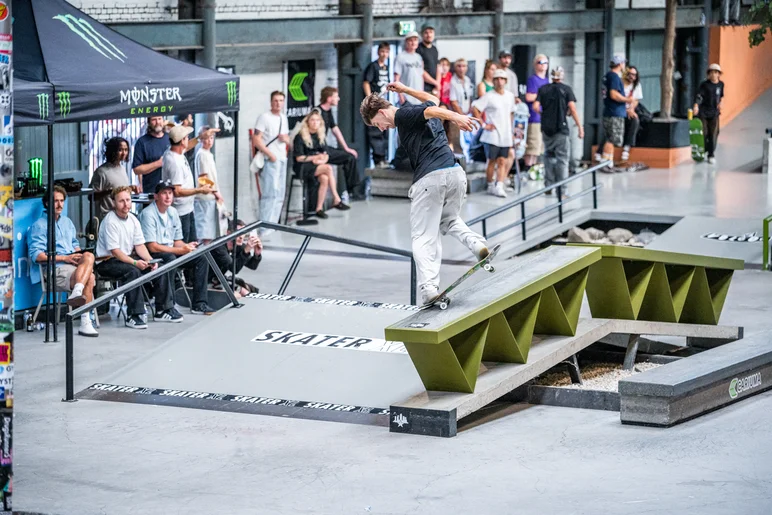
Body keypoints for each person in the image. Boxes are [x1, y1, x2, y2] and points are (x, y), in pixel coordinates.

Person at [360, 82, 488, 305]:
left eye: (376, 124)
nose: (381, 128)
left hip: (431, 179)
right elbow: (432, 100)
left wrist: (456, 117)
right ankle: (477, 245)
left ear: (381, 112)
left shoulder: (402, 115)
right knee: (448, 220)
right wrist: (405, 89)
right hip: (455, 173)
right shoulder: (412, 113)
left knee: (423, 237)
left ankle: (428, 287)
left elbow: (431, 110)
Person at [95, 186, 181, 329]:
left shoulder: (133, 220)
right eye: (121, 201)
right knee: (133, 271)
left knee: (160, 267)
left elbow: (140, 245)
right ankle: (133, 315)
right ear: (114, 203)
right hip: (107, 261)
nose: (126, 204)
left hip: (127, 259)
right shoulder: (110, 221)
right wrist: (135, 262)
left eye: (128, 200)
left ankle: (163, 310)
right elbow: (115, 251)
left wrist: (150, 261)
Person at [28, 185, 98, 337]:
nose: (60, 205)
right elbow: (37, 256)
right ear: (47, 203)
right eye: (55, 201)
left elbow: (74, 245)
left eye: (62, 201)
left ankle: (77, 291)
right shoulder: (39, 226)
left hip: (72, 267)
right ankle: (85, 321)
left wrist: (77, 256)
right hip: (55, 270)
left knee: (89, 256)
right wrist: (65, 258)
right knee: (90, 277)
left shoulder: (67, 222)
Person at [140, 180, 215, 315]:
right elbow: (152, 247)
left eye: (170, 193)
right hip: (153, 255)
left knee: (200, 257)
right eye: (164, 193)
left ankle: (200, 303)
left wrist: (187, 247)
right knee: (170, 258)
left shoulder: (173, 212)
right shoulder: (148, 214)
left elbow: (177, 241)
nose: (168, 197)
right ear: (156, 196)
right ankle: (166, 307)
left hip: (171, 251)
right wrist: (179, 250)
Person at [532, 66, 584, 194]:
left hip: (546, 129)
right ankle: (562, 189)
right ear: (562, 76)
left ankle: (548, 187)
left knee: (548, 157)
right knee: (562, 159)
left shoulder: (543, 89)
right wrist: (580, 127)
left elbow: (535, 106)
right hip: (561, 129)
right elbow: (572, 108)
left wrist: (545, 115)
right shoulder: (566, 90)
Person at [293, 109, 351, 219]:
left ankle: (318, 208)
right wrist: (314, 158)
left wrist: (320, 160)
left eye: (317, 120)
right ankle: (336, 198)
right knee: (328, 168)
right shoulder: (300, 136)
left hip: (317, 165)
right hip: (302, 167)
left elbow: (325, 154)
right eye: (312, 120)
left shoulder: (320, 136)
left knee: (324, 178)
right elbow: (299, 158)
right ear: (308, 122)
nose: (315, 122)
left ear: (320, 122)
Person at [161, 125, 213, 244]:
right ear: (182, 141)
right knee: (184, 247)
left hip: (186, 209)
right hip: (180, 212)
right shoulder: (175, 163)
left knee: (192, 245)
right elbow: (177, 191)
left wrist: (200, 137)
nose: (188, 139)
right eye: (186, 137)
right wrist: (199, 190)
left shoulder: (174, 151)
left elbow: (188, 146)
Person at [472, 69, 517, 199]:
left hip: (506, 134)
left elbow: (511, 113)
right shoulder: (489, 95)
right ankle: (491, 184)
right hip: (492, 134)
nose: (499, 81)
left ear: (506, 81)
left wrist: (512, 130)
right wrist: (484, 125)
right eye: (497, 79)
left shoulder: (509, 96)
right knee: (492, 160)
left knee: (503, 160)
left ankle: (500, 185)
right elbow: (475, 108)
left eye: (502, 79)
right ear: (494, 81)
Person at [253, 91, 291, 233]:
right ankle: (264, 227)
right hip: (271, 159)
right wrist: (270, 154)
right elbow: (256, 140)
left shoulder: (283, 118)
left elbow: (287, 138)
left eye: (281, 100)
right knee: (270, 193)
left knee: (280, 194)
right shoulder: (264, 118)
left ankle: (273, 225)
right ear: (271, 102)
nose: (278, 103)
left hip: (282, 158)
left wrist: (285, 140)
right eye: (275, 100)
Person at [317, 87, 360, 202]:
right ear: (329, 98)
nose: (339, 99)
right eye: (336, 96)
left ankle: (350, 191)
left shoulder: (328, 111)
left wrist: (346, 148)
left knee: (349, 157)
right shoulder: (317, 112)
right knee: (348, 158)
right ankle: (347, 193)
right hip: (319, 150)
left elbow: (335, 129)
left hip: (325, 148)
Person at [211, 219, 263, 297]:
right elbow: (234, 269)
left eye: (243, 233)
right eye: (239, 233)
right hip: (206, 281)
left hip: (218, 279)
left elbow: (252, 266)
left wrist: (257, 254)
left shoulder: (238, 245)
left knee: (248, 289)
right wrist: (246, 251)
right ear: (228, 233)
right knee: (239, 295)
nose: (241, 237)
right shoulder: (219, 246)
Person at [91, 137, 135, 220]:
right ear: (113, 151)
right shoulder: (101, 172)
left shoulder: (122, 169)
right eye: (120, 150)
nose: (124, 153)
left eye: (126, 150)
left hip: (121, 215)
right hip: (107, 217)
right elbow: (91, 196)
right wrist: (107, 192)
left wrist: (131, 188)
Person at [193, 126, 224, 243]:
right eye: (206, 138)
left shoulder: (208, 154)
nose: (209, 141)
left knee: (210, 233)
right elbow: (203, 178)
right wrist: (216, 193)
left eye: (211, 138)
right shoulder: (202, 154)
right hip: (205, 197)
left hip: (210, 196)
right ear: (201, 139)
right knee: (205, 233)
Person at [596, 55, 628, 166]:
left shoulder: (607, 76)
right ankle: (606, 163)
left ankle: (609, 162)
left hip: (608, 111)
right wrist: (627, 99)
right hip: (615, 112)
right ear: (619, 64)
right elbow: (613, 94)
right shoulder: (614, 77)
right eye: (623, 63)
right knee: (612, 139)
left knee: (610, 138)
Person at [363, 42, 390, 168]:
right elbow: (366, 82)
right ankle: (378, 160)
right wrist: (370, 99)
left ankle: (384, 158)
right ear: (378, 52)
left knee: (384, 130)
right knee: (375, 131)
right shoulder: (373, 66)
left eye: (386, 52)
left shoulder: (386, 67)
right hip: (375, 104)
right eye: (382, 51)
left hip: (384, 103)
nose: (384, 54)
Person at [693, 63, 724, 165]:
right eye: (711, 72)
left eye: (716, 72)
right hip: (704, 112)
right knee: (704, 132)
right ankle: (704, 149)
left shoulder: (721, 85)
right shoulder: (704, 85)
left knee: (714, 134)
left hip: (714, 113)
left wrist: (720, 103)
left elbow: (721, 96)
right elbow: (699, 96)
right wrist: (696, 105)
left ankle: (711, 154)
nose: (713, 75)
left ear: (719, 74)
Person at [524, 54, 550, 172]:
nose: (543, 64)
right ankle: (528, 168)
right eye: (540, 62)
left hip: (544, 117)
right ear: (535, 64)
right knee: (532, 145)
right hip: (534, 117)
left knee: (539, 147)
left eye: (545, 62)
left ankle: (534, 169)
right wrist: (543, 96)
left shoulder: (547, 80)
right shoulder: (533, 80)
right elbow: (529, 96)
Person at [132, 116, 170, 194]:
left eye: (159, 119)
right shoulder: (142, 142)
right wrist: (158, 163)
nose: (157, 122)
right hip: (151, 193)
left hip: (170, 191)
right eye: (154, 119)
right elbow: (136, 169)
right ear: (148, 122)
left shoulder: (170, 138)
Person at [394, 31, 426, 105]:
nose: (413, 42)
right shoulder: (400, 57)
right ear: (406, 42)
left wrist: (422, 93)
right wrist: (400, 96)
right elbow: (396, 78)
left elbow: (421, 76)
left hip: (418, 97)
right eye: (411, 40)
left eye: (415, 40)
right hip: (406, 98)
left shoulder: (419, 57)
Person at [622, 65, 643, 162]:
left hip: (629, 109)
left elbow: (636, 100)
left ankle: (627, 146)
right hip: (620, 109)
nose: (632, 77)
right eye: (630, 74)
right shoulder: (621, 84)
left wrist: (631, 109)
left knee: (635, 120)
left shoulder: (636, 85)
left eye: (634, 75)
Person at [416, 24, 441, 95]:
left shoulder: (434, 49)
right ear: (422, 34)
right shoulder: (418, 49)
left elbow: (438, 67)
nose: (429, 35)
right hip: (423, 88)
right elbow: (420, 70)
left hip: (435, 88)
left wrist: (438, 84)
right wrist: (435, 83)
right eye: (426, 32)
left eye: (431, 32)